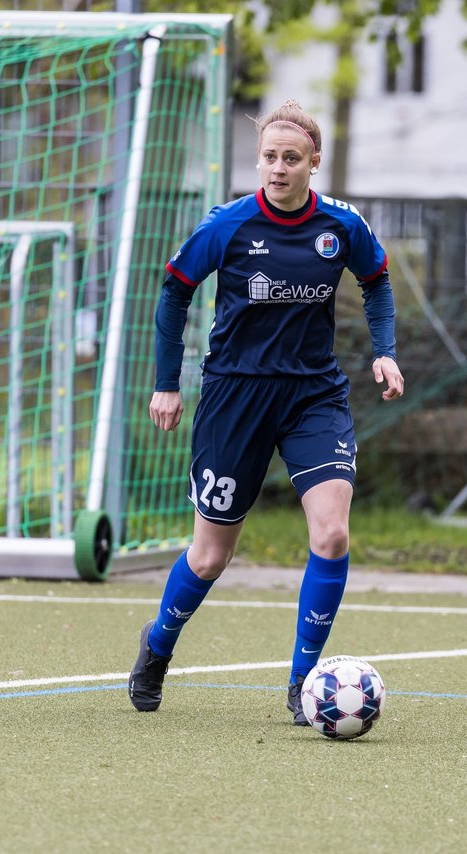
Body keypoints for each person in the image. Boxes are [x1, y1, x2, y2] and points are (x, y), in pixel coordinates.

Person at [129, 99, 404, 725]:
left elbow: (378, 280)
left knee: (332, 532)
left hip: (313, 396)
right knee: (210, 556)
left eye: (290, 158)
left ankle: (304, 683)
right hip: (235, 396)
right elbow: (174, 293)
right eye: (268, 158)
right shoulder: (226, 225)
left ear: (314, 163)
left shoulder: (341, 226)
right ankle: (158, 646)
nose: (277, 169)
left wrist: (384, 352)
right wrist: (166, 383)